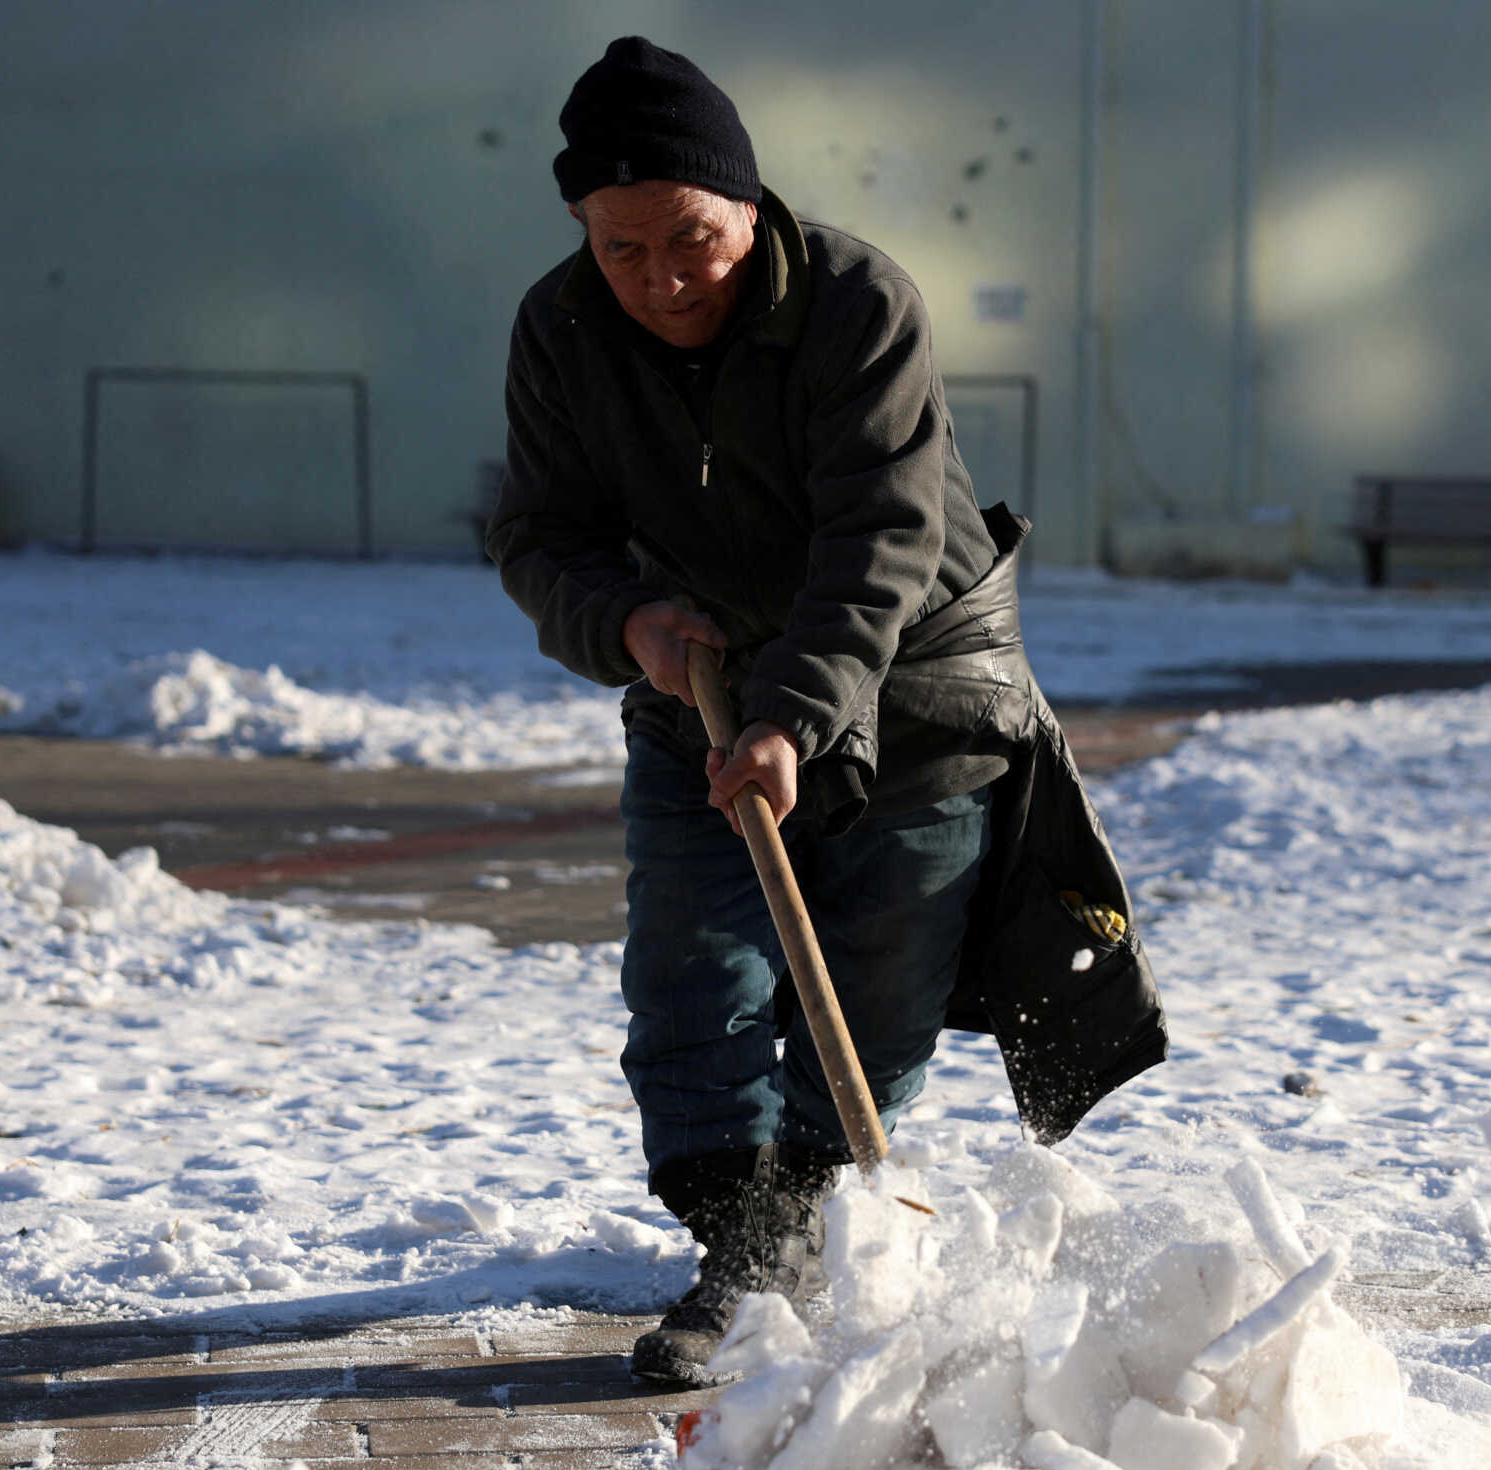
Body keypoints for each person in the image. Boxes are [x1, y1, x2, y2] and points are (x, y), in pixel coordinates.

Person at [487, 37, 1165, 1386]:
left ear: (748, 205)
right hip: (701, 679)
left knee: (871, 988)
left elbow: (882, 539)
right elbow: (538, 535)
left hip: (918, 685)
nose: (663, 280)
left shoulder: (855, 303)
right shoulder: (561, 329)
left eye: (692, 238)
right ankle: (742, 1254)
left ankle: (798, 1232)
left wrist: (793, 716)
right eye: (621, 249)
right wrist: (628, 628)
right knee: (692, 978)